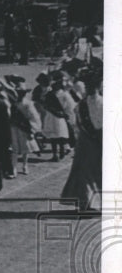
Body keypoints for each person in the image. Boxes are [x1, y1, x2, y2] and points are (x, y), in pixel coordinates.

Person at [60, 69, 102, 213]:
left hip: (89, 141)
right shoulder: (94, 104)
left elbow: (76, 123)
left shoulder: (84, 104)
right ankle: (91, 204)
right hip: (94, 141)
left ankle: (88, 203)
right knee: (93, 172)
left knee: (89, 172)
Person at [10, 83, 42, 176]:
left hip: (24, 127)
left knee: (25, 147)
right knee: (14, 148)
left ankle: (25, 165)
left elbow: (33, 117)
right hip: (14, 127)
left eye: (22, 92)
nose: (20, 94)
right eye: (18, 92)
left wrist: (31, 129)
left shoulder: (28, 104)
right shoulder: (13, 103)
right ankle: (14, 168)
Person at [42, 72, 75, 162]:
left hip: (60, 116)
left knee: (60, 135)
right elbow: (45, 104)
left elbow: (70, 106)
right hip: (51, 116)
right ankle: (55, 154)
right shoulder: (49, 94)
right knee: (53, 136)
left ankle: (61, 151)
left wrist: (66, 114)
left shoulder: (64, 94)